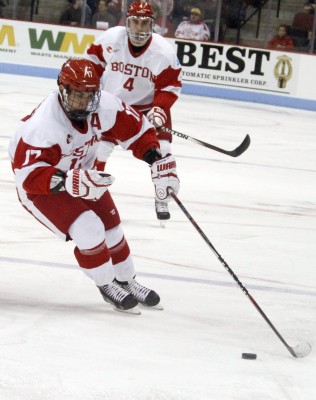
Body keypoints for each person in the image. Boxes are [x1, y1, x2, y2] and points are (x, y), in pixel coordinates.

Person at [8, 58, 180, 314]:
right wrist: (66, 181)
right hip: (41, 189)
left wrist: (155, 158)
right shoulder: (42, 127)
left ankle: (127, 280)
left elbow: (137, 129)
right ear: (62, 90)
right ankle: (107, 284)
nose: (84, 102)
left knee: (113, 228)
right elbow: (27, 176)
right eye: (77, 95)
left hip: (84, 176)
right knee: (89, 228)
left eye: (89, 95)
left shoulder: (104, 105)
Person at [86, 1, 182, 226]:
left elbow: (169, 86)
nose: (139, 28)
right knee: (98, 151)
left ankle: (163, 197)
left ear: (152, 24)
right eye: (135, 22)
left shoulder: (163, 51)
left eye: (144, 23)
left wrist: (159, 110)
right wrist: (89, 91)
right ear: (127, 22)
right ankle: (92, 194)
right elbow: (92, 63)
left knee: (163, 152)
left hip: (147, 109)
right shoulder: (111, 38)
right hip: (112, 106)